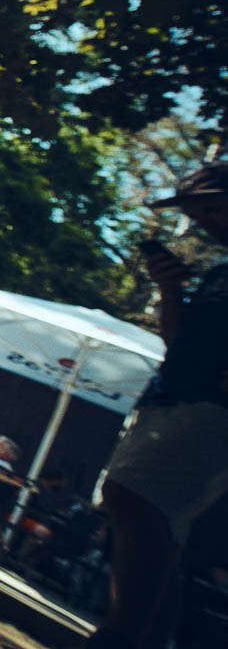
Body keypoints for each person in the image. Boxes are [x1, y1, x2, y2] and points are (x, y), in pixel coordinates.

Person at [88, 162, 228, 649]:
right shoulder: (219, 273)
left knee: (131, 498)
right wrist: (171, 290)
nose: (205, 222)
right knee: (162, 532)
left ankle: (119, 638)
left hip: (205, 410)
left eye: (214, 208)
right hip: (174, 402)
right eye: (197, 214)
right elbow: (178, 343)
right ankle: (138, 639)